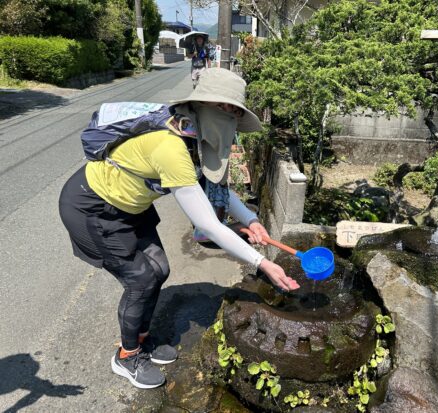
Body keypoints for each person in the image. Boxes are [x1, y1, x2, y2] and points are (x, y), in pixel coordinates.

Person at [58, 68, 300, 389]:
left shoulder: (193, 133)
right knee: (141, 279)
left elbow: (215, 188)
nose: (230, 119)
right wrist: (262, 263)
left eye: (235, 112)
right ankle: (127, 356)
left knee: (159, 269)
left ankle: (141, 339)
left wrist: (251, 220)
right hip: (93, 207)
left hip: (131, 207)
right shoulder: (171, 147)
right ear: (200, 104)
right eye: (224, 108)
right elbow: (207, 225)